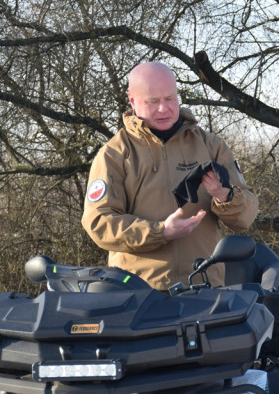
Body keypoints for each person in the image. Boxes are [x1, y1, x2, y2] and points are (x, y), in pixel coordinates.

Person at [82, 60, 258, 288]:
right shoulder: (114, 154)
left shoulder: (211, 146)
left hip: (205, 289)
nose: (164, 109)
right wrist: (160, 232)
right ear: (132, 100)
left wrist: (224, 196)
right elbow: (99, 223)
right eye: (153, 101)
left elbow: (246, 218)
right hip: (140, 294)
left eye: (170, 99)